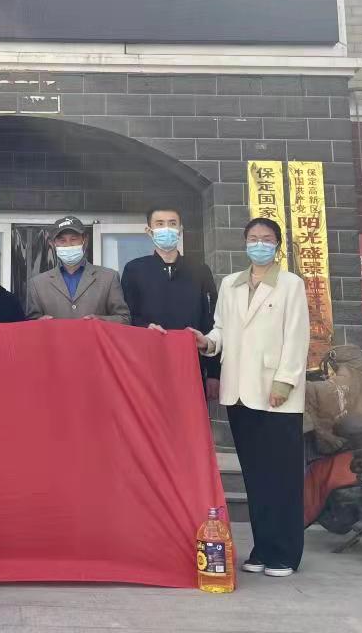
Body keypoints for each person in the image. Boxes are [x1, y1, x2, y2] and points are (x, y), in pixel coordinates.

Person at [194, 217, 309, 578]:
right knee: (256, 476)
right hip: (240, 393)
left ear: (277, 245)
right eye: (253, 238)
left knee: (282, 477)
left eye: (267, 238)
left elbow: (297, 336)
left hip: (276, 395)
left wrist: (285, 382)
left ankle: (284, 554)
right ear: (245, 243)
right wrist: (207, 342)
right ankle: (262, 548)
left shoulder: (291, 284)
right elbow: (222, 329)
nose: (259, 244)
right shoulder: (231, 284)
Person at [121, 206, 221, 400]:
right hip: (146, 366)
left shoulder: (199, 270)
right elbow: (126, 317)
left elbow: (211, 320)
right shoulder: (134, 270)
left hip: (191, 365)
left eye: (172, 223)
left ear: (180, 229)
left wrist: (214, 373)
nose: (166, 228)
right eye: (159, 224)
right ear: (149, 231)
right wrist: (144, 327)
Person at [24, 215, 129, 323]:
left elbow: (124, 319)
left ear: (85, 241)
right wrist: (38, 322)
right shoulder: (38, 284)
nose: (68, 245)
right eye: (62, 240)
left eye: (73, 239)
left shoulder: (108, 278)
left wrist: (101, 320)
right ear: (53, 244)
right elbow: (29, 324)